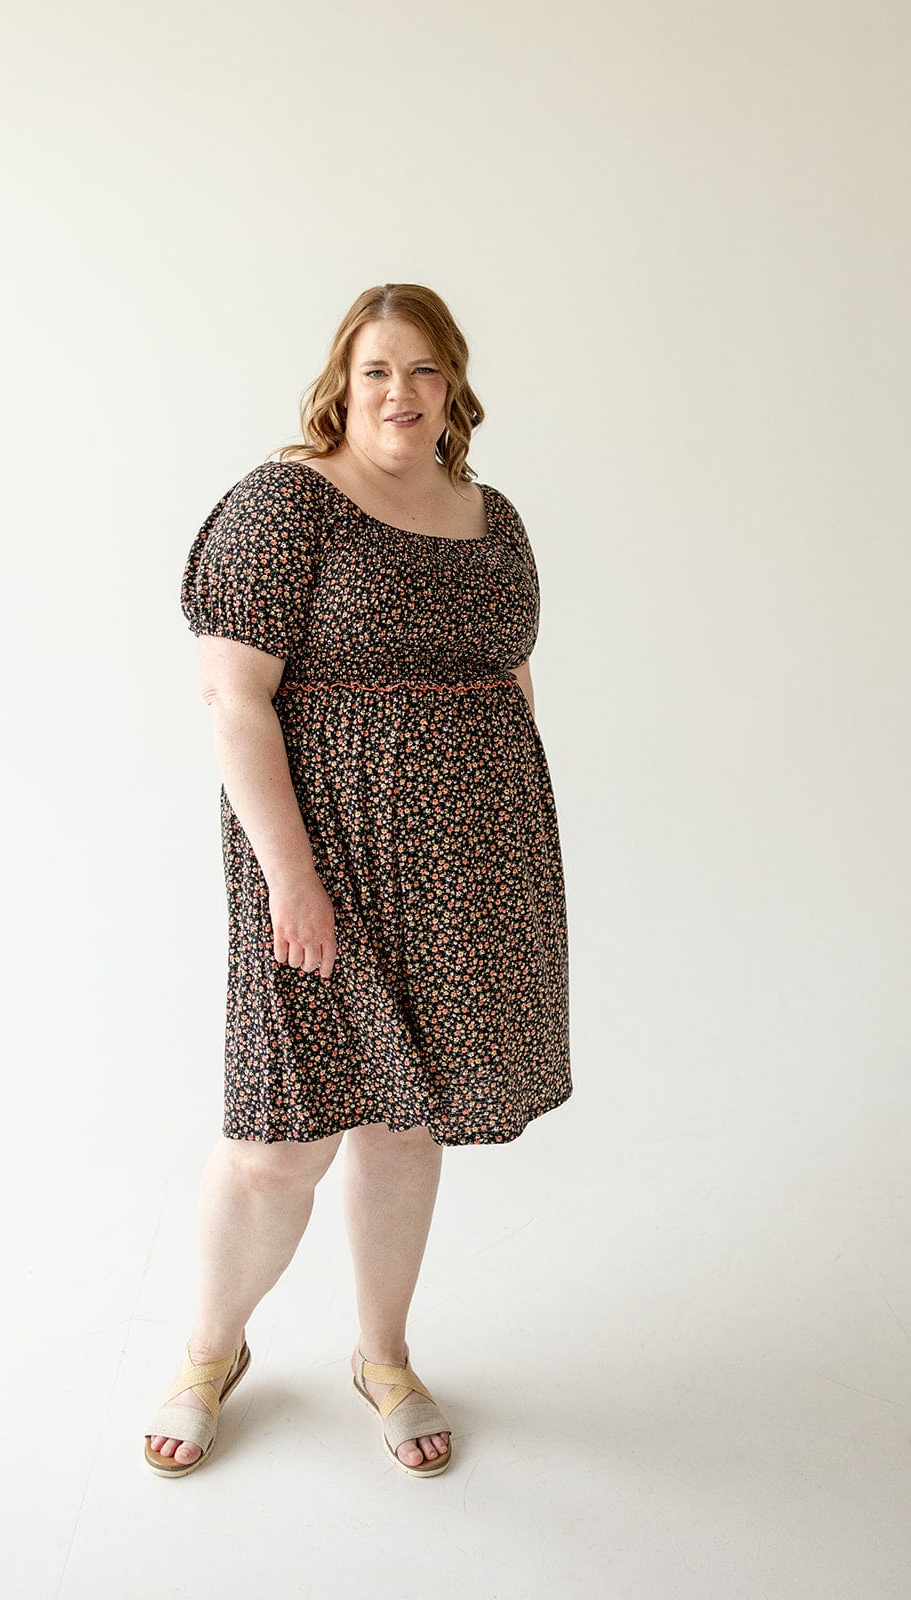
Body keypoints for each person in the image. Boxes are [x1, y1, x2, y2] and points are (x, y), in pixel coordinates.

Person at [144, 282, 572, 1481]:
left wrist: (507, 864)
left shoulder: (490, 516)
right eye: (377, 369)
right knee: (281, 1139)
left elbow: (508, 686)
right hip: (317, 858)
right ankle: (207, 1350)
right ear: (341, 381)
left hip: (462, 866)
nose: (400, 392)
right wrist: (288, 875)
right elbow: (232, 698)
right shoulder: (286, 504)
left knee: (403, 1120)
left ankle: (381, 1353)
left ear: (455, 389)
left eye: (424, 370)